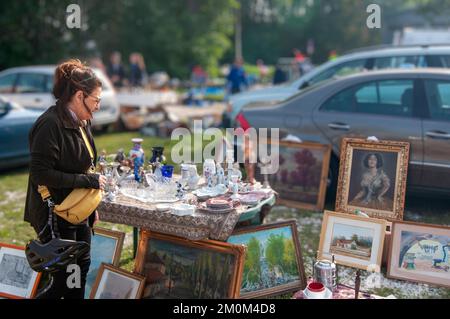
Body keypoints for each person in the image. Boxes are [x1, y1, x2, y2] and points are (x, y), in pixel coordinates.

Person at [24, 59, 107, 299]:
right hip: (55, 214)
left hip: (77, 212)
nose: (98, 106)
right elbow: (40, 174)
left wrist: (91, 209)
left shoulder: (82, 120)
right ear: (79, 96)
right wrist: (87, 182)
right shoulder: (49, 124)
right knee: (62, 283)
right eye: (96, 101)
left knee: (79, 272)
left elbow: (85, 164)